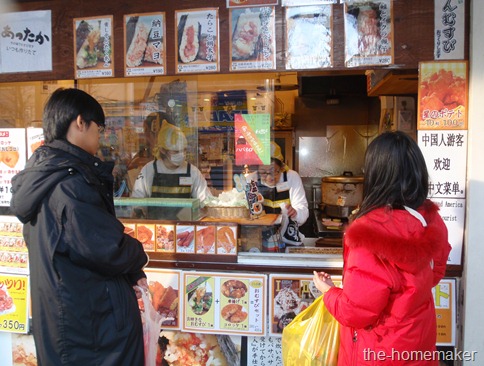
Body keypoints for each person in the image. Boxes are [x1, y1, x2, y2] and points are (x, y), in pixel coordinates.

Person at [9, 88, 149, 366]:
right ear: (80, 122)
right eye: (100, 127)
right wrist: (137, 253)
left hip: (73, 320)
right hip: (90, 330)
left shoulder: (46, 175)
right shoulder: (68, 184)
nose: (101, 135)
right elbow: (108, 249)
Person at [312, 131, 451, 365]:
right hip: (417, 344)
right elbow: (433, 275)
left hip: (376, 352)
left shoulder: (369, 233)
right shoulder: (429, 220)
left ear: (375, 175)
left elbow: (355, 313)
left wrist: (328, 291)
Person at [131, 120, 212, 217]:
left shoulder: (193, 172)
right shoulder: (148, 170)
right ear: (162, 150)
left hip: (185, 229)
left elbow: (206, 201)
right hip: (156, 228)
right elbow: (137, 201)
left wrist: (204, 209)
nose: (182, 155)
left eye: (184, 150)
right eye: (175, 151)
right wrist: (139, 212)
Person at [248, 141, 309, 225]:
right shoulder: (251, 179)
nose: (269, 177)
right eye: (263, 172)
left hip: (286, 234)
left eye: (273, 171)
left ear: (281, 167)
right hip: (259, 233)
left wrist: (296, 213)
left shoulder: (291, 177)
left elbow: (303, 212)